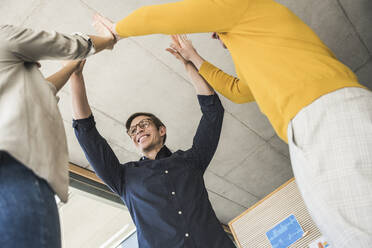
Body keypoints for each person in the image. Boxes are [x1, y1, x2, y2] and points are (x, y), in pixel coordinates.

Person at [93, 1, 372, 247]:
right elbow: (240, 91)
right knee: (345, 229)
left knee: (358, 228)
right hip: (306, 123)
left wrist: (116, 29)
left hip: (322, 108)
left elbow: (168, 16)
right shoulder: (252, 43)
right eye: (134, 130)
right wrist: (195, 60)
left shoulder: (243, 5)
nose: (214, 34)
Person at [71, 35, 235, 248]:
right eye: (132, 131)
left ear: (162, 130)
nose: (138, 130)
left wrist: (188, 64)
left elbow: (213, 113)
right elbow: (87, 134)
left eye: (144, 124)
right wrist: (76, 77)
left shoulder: (190, 161)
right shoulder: (123, 178)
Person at [0, 22, 116, 248]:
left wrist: (72, 68)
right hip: (15, 173)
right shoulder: (5, 39)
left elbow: (44, 90)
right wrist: (111, 38)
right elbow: (74, 45)